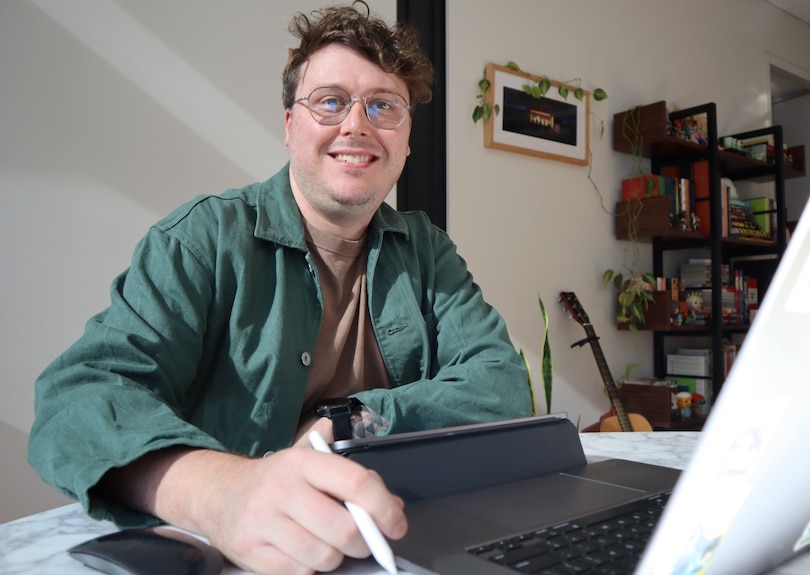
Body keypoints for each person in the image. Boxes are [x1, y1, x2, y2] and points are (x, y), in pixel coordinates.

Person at [28, 2, 531, 574]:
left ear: (407, 138)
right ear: (290, 126)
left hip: (388, 539)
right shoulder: (201, 238)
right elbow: (77, 400)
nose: (357, 124)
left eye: (383, 106)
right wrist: (219, 492)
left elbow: (502, 386)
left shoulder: (427, 249)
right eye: (331, 101)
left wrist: (349, 419)